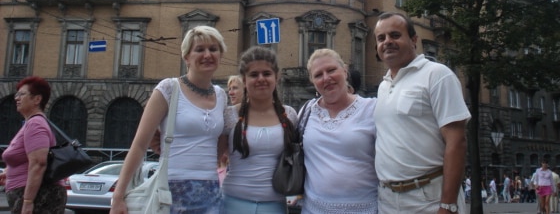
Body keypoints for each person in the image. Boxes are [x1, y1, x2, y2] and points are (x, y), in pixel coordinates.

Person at [110, 26, 228, 214]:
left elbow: (221, 142)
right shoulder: (169, 89)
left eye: (213, 49)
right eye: (200, 49)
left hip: (211, 192)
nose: (207, 54)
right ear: (186, 57)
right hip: (170, 191)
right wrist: (118, 195)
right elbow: (140, 145)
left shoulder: (221, 96)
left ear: (221, 55)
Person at [374, 12, 471, 214]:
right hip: (387, 200)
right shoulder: (383, 86)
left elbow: (457, 141)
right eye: (381, 38)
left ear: (413, 40)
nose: (387, 42)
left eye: (395, 35)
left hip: (428, 199)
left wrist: (447, 205)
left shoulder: (437, 75)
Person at [221, 46, 298, 213]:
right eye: (254, 75)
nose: (261, 79)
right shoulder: (229, 115)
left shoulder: (289, 115)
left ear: (276, 77)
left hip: (275, 205)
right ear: (244, 80)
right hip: (232, 203)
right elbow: (212, 156)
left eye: (267, 74)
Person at [301, 48, 377, 213]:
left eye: (331, 70)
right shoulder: (306, 112)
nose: (326, 78)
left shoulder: (372, 108)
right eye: (318, 75)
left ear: (345, 70)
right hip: (313, 209)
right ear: (313, 81)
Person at [0, 77, 67, 214]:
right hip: (32, 194)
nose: (16, 98)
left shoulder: (35, 124)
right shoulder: (31, 123)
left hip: (40, 197)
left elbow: (38, 163)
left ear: (37, 99)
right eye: (16, 94)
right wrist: (10, 171)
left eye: (22, 94)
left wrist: (28, 201)